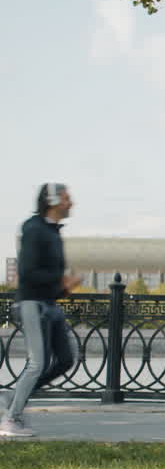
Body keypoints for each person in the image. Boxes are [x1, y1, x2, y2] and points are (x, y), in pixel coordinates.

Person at [1, 183, 81, 438]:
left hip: (50, 305)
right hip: (32, 304)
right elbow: (28, 273)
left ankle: (12, 397)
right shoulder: (34, 228)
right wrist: (61, 281)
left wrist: (63, 289)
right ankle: (11, 420)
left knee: (66, 359)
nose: (72, 203)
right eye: (67, 198)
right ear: (53, 200)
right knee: (36, 363)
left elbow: (47, 275)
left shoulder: (53, 231)